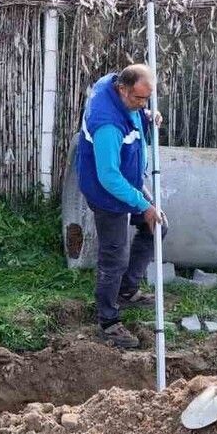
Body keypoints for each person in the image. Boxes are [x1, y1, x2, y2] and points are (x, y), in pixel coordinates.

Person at [75, 64, 166, 349]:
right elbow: (109, 177)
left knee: (157, 230)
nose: (142, 104)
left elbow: (135, 116)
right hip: (108, 193)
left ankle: (127, 291)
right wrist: (143, 204)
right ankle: (108, 321)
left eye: (147, 99)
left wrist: (147, 116)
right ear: (122, 90)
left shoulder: (117, 88)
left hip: (129, 180)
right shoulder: (107, 125)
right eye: (139, 99)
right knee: (113, 258)